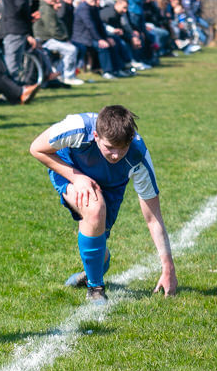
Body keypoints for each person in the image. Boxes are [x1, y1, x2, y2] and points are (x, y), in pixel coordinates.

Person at [29, 105, 178, 303]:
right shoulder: (78, 127)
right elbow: (37, 148)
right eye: (109, 148)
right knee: (94, 208)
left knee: (98, 240)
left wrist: (168, 268)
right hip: (69, 168)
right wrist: (77, 177)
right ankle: (96, 289)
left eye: (122, 148)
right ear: (96, 135)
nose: (116, 155)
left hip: (111, 187)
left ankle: (96, 267)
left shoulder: (138, 156)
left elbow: (153, 217)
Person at [33, 0, 83, 85]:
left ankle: (61, 74)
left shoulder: (49, 7)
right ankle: (67, 76)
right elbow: (52, 29)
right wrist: (64, 39)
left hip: (49, 38)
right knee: (71, 50)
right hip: (45, 40)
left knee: (72, 48)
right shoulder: (46, 9)